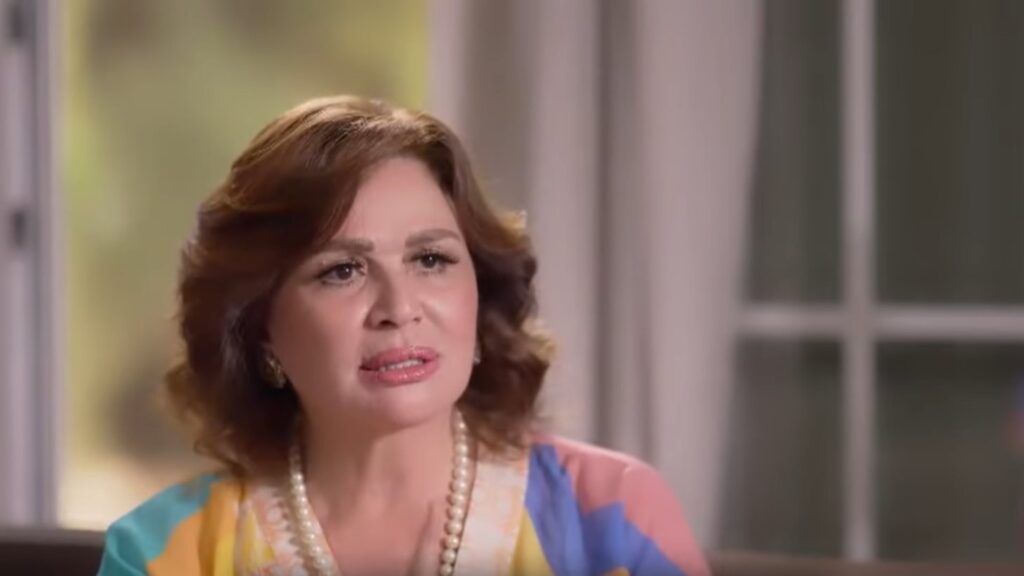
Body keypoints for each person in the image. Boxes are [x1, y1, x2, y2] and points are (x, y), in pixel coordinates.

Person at [97, 95, 710, 576]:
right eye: (342, 271)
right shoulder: (164, 553)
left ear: (479, 292)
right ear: (258, 328)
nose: (399, 308)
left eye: (431, 260)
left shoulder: (611, 515)